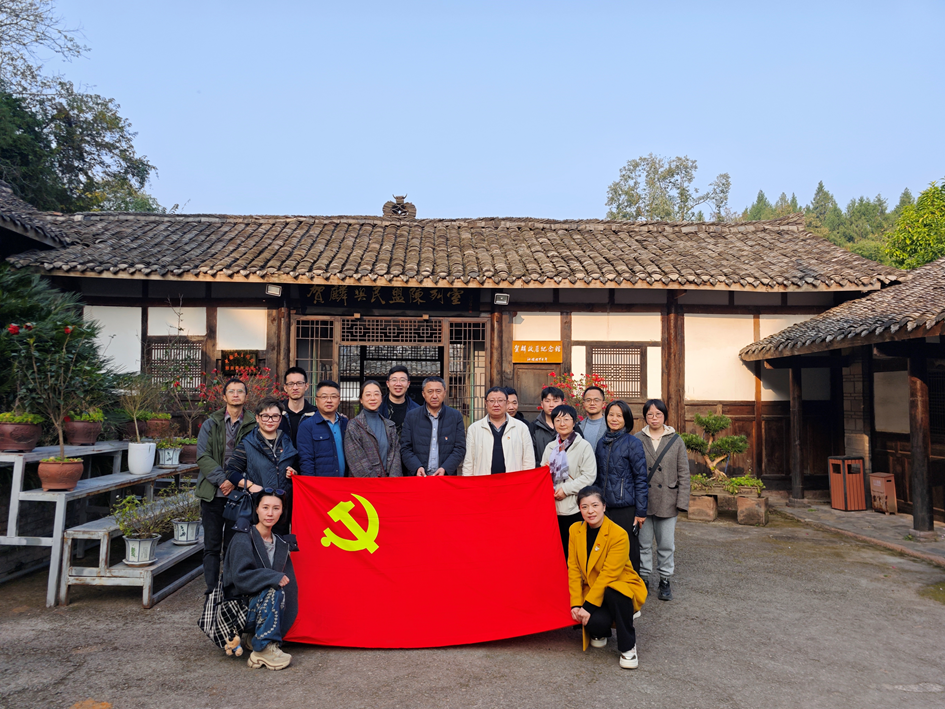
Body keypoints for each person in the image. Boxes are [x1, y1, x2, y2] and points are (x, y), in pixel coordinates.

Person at [568, 486, 647, 670]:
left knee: (615, 592)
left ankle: (628, 647)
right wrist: (576, 604)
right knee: (594, 623)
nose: (590, 511)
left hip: (619, 585)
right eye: (584, 506)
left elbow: (608, 575)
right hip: (593, 588)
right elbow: (573, 569)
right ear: (579, 509)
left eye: (595, 505)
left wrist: (587, 607)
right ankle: (603, 628)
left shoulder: (618, 534)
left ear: (604, 506)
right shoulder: (574, 530)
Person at [222, 490, 298, 671]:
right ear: (256, 509)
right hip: (239, 610)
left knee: (278, 590)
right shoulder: (243, 537)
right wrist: (273, 577)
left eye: (276, 508)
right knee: (273, 589)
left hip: (262, 608)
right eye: (265, 507)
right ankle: (262, 650)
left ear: (282, 511)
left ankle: (258, 636)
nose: (270, 513)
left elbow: (290, 588)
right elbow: (240, 578)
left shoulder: (280, 543)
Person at [196, 377, 256, 593]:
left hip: (239, 495)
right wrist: (222, 480)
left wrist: (234, 481)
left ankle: (230, 588)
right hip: (212, 493)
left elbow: (254, 458)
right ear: (224, 396)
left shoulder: (254, 425)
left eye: (240, 391)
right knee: (211, 545)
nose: (236, 394)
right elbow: (203, 456)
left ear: (246, 396)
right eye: (231, 391)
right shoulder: (211, 423)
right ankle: (212, 590)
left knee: (233, 546)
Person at [634, 398, 690, 601]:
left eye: (658, 414)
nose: (654, 418)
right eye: (650, 414)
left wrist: (682, 502)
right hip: (644, 501)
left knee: (666, 544)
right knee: (644, 544)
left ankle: (665, 579)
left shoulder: (675, 440)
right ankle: (644, 578)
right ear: (645, 417)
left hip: (668, 499)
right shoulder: (637, 439)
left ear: (665, 416)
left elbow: (684, 473)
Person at [224, 397, 298, 535]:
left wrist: (293, 472)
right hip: (257, 507)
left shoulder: (287, 441)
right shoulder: (248, 443)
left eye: (275, 416)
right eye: (265, 416)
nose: (270, 420)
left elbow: (294, 466)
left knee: (279, 543)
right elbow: (231, 472)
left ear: (280, 419)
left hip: (281, 508)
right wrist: (250, 486)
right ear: (257, 418)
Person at [595, 400, 648, 574]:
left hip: (625, 506)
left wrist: (641, 511)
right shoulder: (601, 443)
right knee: (606, 549)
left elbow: (641, 478)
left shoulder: (633, 443)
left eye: (619, 415)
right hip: (605, 506)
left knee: (629, 549)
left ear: (626, 419)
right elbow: (597, 475)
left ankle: (632, 585)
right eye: (611, 415)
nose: (614, 419)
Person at [539, 404, 597, 560]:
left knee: (574, 551)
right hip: (553, 507)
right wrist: (546, 474)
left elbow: (589, 476)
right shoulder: (551, 447)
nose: (562, 423)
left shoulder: (583, 446)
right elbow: (542, 474)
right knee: (556, 551)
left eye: (566, 419)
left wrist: (566, 490)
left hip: (574, 507)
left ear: (574, 422)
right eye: (557, 420)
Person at [400, 376, 467, 476]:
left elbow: (460, 448)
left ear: (444, 393)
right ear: (423, 394)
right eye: (430, 391)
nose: (434, 396)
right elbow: (405, 448)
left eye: (438, 391)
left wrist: (445, 468)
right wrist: (417, 467)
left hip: (445, 477)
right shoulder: (411, 416)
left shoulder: (455, 416)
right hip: (419, 477)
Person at [461, 387, 535, 476]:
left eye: (500, 401)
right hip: (483, 481)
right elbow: (469, 462)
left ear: (506, 403)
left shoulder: (521, 428)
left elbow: (528, 461)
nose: (496, 404)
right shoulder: (474, 429)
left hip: (513, 481)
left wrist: (526, 481)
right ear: (486, 403)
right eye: (492, 401)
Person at [345, 380, 402, 477]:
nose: (372, 398)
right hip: (365, 483)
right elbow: (357, 462)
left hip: (388, 483)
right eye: (368, 395)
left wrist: (392, 481)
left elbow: (395, 457)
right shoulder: (354, 426)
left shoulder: (390, 426)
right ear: (361, 399)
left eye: (376, 394)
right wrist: (375, 483)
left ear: (381, 398)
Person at [297, 380, 348, 477]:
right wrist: (311, 484)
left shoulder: (346, 423)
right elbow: (306, 461)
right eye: (324, 397)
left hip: (345, 482)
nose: (329, 400)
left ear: (339, 400)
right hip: (320, 484)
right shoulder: (307, 426)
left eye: (333, 396)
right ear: (316, 400)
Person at [278, 366, 317, 446]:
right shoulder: (277, 413)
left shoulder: (315, 414)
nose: (295, 388)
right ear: (285, 388)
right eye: (291, 384)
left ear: (306, 386)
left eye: (299, 383)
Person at [378, 365, 420, 435]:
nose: (398, 384)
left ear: (408, 384)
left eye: (402, 380)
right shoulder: (378, 408)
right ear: (388, 383)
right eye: (394, 380)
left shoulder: (417, 410)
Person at [529, 386, 564, 462]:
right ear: (542, 404)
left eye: (555, 401)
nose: (551, 405)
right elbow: (529, 455)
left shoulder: (571, 427)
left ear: (562, 403)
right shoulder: (533, 427)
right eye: (547, 401)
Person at [578, 386, 607, 451]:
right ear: (583, 403)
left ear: (603, 404)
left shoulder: (610, 426)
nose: (592, 403)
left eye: (596, 400)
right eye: (588, 400)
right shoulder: (578, 427)